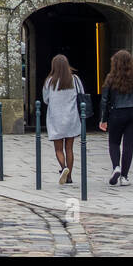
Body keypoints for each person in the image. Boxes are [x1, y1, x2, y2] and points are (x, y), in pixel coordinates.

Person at [97, 49, 133, 186]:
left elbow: (104, 100)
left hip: (117, 113)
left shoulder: (110, 78)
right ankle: (124, 177)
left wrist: (103, 119)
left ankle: (116, 167)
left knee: (114, 142)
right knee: (128, 145)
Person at [41, 54, 84, 185]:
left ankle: (63, 167)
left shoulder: (50, 81)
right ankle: (69, 176)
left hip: (56, 118)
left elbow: (45, 99)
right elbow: (81, 94)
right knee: (69, 148)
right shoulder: (74, 79)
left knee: (58, 149)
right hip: (71, 117)